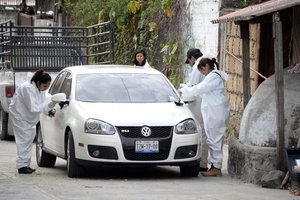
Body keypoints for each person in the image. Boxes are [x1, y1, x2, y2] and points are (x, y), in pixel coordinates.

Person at [179, 57, 230, 176]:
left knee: (214, 139)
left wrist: (187, 90)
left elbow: (200, 88)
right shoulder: (213, 76)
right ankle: (214, 166)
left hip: (215, 112)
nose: (202, 73)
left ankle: (216, 167)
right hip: (214, 112)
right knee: (213, 139)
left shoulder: (213, 76)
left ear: (206, 66)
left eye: (202, 70)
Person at [9, 69, 56, 174]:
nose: (46, 88)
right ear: (38, 83)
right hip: (21, 117)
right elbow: (34, 108)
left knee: (28, 140)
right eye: (45, 86)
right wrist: (49, 105)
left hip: (28, 118)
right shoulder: (28, 88)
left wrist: (49, 109)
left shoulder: (39, 89)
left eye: (48, 86)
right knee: (24, 141)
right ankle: (22, 166)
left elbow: (42, 102)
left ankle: (25, 164)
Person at [181, 48, 209, 172]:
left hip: (199, 104)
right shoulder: (205, 61)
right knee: (205, 132)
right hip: (206, 104)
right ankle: (205, 162)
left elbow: (192, 86)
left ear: (192, 58)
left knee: (202, 132)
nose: (190, 63)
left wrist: (184, 88)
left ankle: (202, 163)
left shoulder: (198, 65)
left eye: (189, 61)